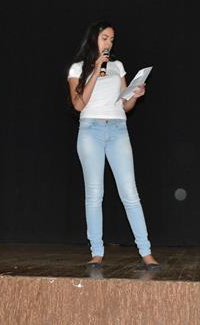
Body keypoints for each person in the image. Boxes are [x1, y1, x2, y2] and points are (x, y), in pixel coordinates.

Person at [67, 21, 159, 270]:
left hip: (118, 129)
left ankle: (146, 251)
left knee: (130, 192)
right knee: (94, 193)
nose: (109, 43)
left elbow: (125, 105)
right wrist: (96, 70)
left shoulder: (118, 66)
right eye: (105, 38)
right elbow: (78, 104)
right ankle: (97, 252)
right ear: (93, 39)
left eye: (111, 39)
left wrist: (134, 96)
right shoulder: (77, 68)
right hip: (91, 130)